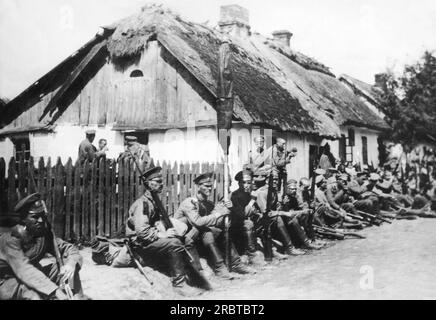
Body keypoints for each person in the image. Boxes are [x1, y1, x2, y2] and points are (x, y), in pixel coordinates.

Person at [125, 166, 202, 296]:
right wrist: (163, 234)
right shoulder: (143, 204)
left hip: (149, 239)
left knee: (183, 238)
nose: (162, 184)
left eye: (162, 181)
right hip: (140, 244)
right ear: (149, 184)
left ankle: (195, 274)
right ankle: (180, 285)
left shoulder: (154, 200)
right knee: (174, 243)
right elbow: (142, 233)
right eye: (158, 181)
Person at [0, 193, 86, 300]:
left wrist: (71, 263)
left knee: (68, 269)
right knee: (34, 295)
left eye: (42, 216)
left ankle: (77, 298)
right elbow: (24, 270)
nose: (40, 221)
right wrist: (54, 291)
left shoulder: (43, 235)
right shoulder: (9, 240)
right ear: (23, 219)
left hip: (33, 277)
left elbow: (68, 248)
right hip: (8, 282)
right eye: (35, 217)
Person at [175, 172, 255, 279]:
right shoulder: (189, 203)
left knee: (220, 232)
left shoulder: (208, 204)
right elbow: (198, 222)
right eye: (206, 186)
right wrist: (219, 214)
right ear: (198, 187)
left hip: (197, 237)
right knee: (207, 232)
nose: (209, 189)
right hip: (182, 238)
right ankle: (220, 268)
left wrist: (224, 209)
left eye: (210, 186)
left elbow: (214, 221)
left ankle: (236, 264)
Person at [229, 169, 264, 265]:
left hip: (247, 224)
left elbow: (255, 210)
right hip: (236, 225)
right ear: (239, 183)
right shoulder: (235, 196)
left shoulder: (248, 194)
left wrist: (257, 214)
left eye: (248, 183)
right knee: (248, 224)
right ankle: (251, 253)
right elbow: (242, 215)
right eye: (243, 183)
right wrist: (252, 201)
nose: (246, 185)